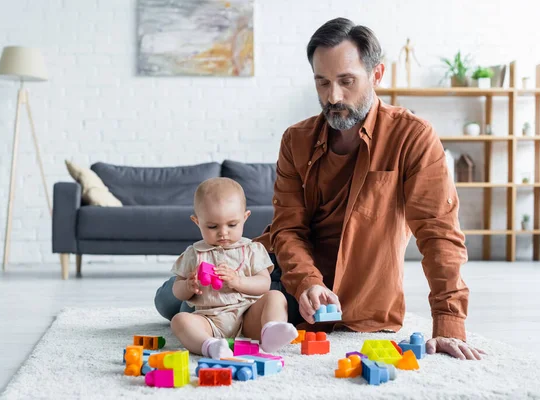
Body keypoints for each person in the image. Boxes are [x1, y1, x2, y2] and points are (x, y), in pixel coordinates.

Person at [156, 17, 484, 361]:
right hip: (289, 273)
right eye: (322, 82)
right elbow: (288, 228)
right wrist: (308, 282)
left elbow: (439, 232)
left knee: (201, 307)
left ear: (376, 75)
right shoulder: (296, 139)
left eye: (346, 81)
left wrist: (449, 322)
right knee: (169, 299)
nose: (333, 96)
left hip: (357, 289)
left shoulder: (413, 137)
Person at [169, 177, 298, 359]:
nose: (223, 232)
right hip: (209, 319)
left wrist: (238, 281)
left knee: (276, 296)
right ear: (197, 221)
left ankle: (270, 331)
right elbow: (177, 290)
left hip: (247, 315)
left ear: (245, 218)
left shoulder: (252, 249)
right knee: (179, 321)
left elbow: (264, 284)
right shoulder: (194, 253)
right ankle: (210, 345)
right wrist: (188, 286)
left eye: (232, 225)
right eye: (212, 226)